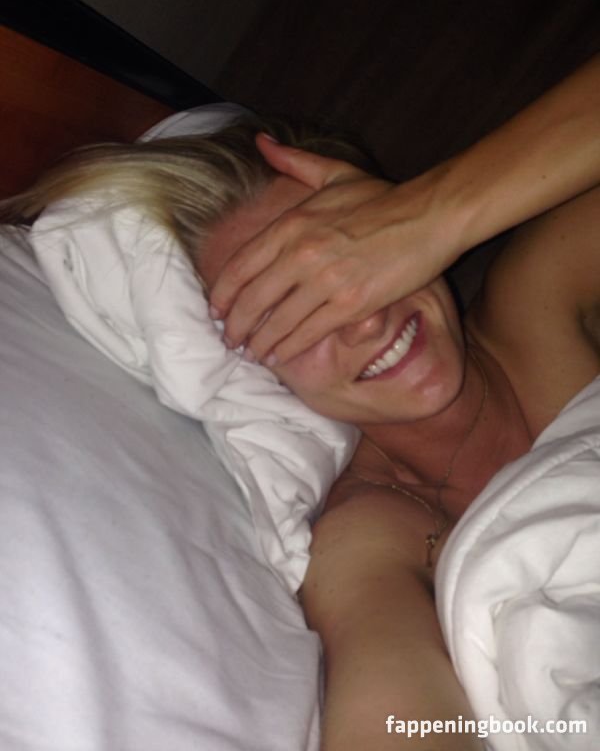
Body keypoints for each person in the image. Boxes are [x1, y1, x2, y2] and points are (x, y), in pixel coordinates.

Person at [1, 54, 598, 750]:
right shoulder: (368, 533)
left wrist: (435, 212)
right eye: (287, 309)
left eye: (359, 257)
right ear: (245, 372)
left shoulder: (543, 296)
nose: (362, 318)